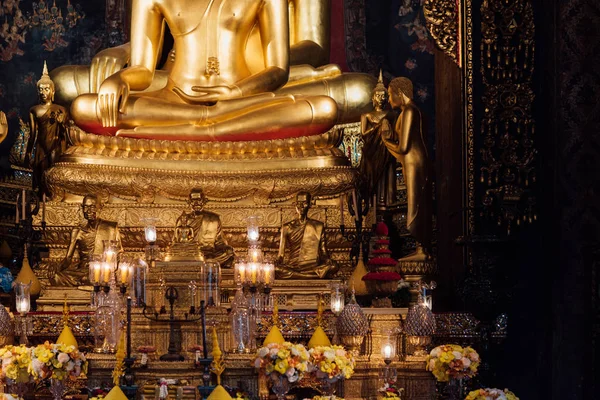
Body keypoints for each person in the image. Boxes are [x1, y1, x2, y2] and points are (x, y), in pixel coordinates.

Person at [59, 0, 374, 141]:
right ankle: (207, 125)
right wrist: (118, 79)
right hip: (175, 98)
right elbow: (143, 67)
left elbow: (278, 68)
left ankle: (203, 126)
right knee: (85, 106)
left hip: (242, 98)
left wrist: (236, 92)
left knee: (323, 107)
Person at [381, 77, 432, 260]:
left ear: (399, 93)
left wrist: (386, 140)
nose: (388, 99)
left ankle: (421, 249)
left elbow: (403, 147)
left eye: (389, 94)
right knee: (415, 201)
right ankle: (420, 248)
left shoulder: (410, 111)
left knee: (416, 202)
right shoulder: (404, 113)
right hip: (410, 161)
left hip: (414, 161)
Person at [51, 194, 122, 286]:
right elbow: (68, 259)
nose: (88, 211)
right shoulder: (77, 231)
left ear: (100, 207)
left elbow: (119, 253)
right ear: (82, 208)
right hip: (83, 271)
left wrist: (117, 270)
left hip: (103, 270)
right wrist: (57, 267)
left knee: (100, 278)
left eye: (92, 206)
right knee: (56, 277)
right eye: (86, 207)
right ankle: (89, 282)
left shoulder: (110, 228)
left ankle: (90, 281)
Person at [26, 62, 68, 198]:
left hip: (55, 146)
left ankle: (54, 198)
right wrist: (28, 153)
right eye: (41, 89)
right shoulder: (34, 110)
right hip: (40, 147)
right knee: (41, 176)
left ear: (53, 91)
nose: (43, 92)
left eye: (46, 89)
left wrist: (62, 124)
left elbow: (65, 136)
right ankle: (42, 201)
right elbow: (33, 134)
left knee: (54, 175)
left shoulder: (60, 110)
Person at [276, 191, 338, 279]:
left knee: (334, 266)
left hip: (311, 266)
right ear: (295, 205)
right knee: (275, 269)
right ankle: (309, 276)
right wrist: (276, 262)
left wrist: (327, 260)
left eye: (304, 203)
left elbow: (324, 252)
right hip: (292, 266)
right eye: (298, 203)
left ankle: (298, 276)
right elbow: (280, 255)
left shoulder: (318, 226)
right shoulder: (286, 227)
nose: (301, 207)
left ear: (310, 204)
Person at [359, 71, 397, 210]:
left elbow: (396, 132)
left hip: (386, 150)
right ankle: (371, 202)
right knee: (372, 178)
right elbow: (363, 134)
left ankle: (385, 201)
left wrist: (386, 128)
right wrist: (378, 127)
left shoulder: (391, 114)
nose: (381, 98)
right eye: (378, 95)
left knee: (386, 176)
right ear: (372, 97)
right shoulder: (367, 115)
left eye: (383, 96)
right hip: (372, 151)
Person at [173, 188, 234, 268]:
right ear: (189, 202)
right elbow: (175, 242)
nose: (196, 203)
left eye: (199, 200)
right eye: (193, 200)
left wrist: (226, 249)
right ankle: (204, 263)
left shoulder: (214, 219)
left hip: (210, 254)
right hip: (190, 254)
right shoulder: (183, 220)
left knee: (229, 254)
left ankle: (205, 263)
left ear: (204, 201)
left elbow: (219, 242)